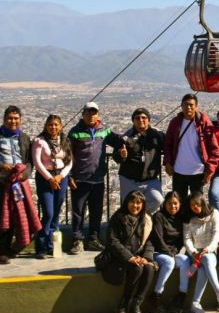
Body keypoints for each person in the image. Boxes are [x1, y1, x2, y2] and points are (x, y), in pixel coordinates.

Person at [68, 102, 123, 255]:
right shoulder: (74, 132)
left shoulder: (104, 131)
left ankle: (93, 238)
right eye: (88, 112)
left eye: (94, 113)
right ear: (83, 114)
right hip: (80, 179)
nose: (91, 115)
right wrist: (70, 175)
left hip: (98, 178)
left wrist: (124, 147)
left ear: (98, 115)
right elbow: (68, 155)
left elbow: (119, 141)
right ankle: (77, 240)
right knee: (78, 211)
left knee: (96, 210)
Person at [163, 93, 219, 207]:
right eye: (185, 105)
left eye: (191, 105)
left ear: (196, 107)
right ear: (181, 106)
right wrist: (168, 162)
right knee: (179, 204)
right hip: (179, 170)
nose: (188, 107)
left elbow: (214, 148)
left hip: (198, 171)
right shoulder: (175, 123)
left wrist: (209, 170)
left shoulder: (203, 122)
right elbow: (168, 144)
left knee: (197, 204)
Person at [106, 191, 155, 313]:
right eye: (132, 202)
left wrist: (147, 258)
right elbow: (112, 241)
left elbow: (150, 241)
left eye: (139, 203)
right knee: (137, 268)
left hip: (138, 255)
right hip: (119, 256)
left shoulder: (146, 219)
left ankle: (136, 305)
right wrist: (130, 257)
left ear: (143, 205)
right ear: (126, 202)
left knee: (149, 268)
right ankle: (123, 304)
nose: (135, 205)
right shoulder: (118, 217)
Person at [0, 106, 38, 264]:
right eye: (10, 118)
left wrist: (23, 175)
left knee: (18, 214)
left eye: (16, 118)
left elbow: (29, 162)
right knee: (3, 216)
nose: (13, 121)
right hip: (2, 182)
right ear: (4, 119)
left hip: (19, 184)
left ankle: (12, 247)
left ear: (20, 120)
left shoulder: (24, 138)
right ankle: (2, 249)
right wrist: (2, 166)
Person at [184, 192, 219, 313]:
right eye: (192, 205)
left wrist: (209, 248)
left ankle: (197, 302)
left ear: (202, 202)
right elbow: (187, 238)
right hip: (194, 252)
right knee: (204, 268)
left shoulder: (214, 214)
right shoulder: (189, 218)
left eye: (197, 204)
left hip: (210, 251)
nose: (195, 207)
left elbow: (216, 234)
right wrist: (193, 251)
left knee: (207, 260)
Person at [32, 114, 72, 259]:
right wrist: (50, 178)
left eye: (56, 125)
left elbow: (69, 161)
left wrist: (61, 176)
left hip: (61, 177)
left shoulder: (65, 140)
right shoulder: (39, 141)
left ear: (60, 126)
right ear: (45, 126)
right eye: (50, 125)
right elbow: (37, 163)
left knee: (56, 214)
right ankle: (41, 246)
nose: (53, 127)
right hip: (45, 178)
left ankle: (52, 246)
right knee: (48, 212)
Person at [114, 108, 164, 214]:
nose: (141, 120)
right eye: (137, 118)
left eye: (144, 117)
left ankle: (141, 217)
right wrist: (121, 155)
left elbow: (168, 147)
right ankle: (131, 223)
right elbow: (116, 156)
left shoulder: (157, 135)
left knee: (157, 200)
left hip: (150, 179)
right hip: (129, 179)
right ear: (133, 120)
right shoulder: (126, 137)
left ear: (148, 120)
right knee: (128, 207)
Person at [149, 191, 189, 313]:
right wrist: (169, 252)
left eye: (176, 204)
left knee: (185, 260)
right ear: (164, 204)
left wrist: (174, 252)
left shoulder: (181, 219)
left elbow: (182, 240)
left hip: (172, 253)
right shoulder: (159, 216)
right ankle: (156, 296)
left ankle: (181, 296)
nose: (173, 207)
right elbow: (158, 238)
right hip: (157, 253)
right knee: (169, 261)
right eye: (170, 203)